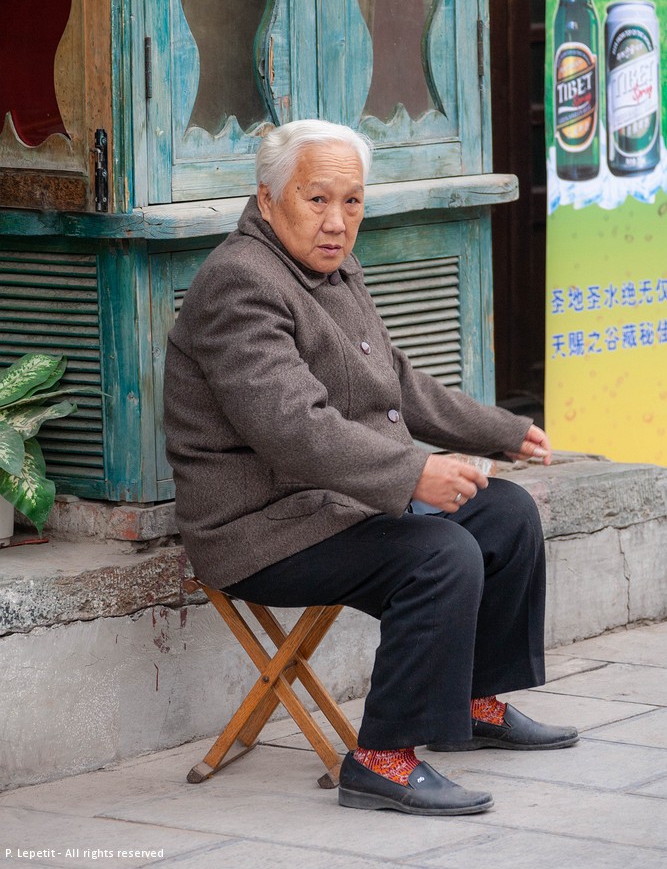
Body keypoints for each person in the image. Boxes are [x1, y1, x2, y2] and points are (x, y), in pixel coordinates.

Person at [164, 119, 578, 817]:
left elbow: (395, 382)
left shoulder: (328, 267)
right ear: (266, 199)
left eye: (351, 201)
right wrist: (413, 473)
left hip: (336, 501)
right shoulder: (239, 283)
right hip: (260, 527)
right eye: (316, 199)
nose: (337, 221)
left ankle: (470, 701)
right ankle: (381, 760)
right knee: (439, 553)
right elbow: (293, 428)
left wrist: (502, 432)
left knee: (505, 514)